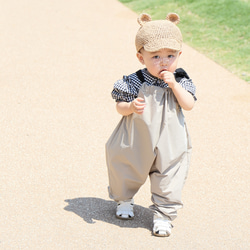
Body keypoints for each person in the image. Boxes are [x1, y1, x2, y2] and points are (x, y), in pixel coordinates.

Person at [105, 12, 197, 237]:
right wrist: (130, 108)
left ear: (179, 54)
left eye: (170, 55)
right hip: (137, 134)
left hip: (170, 138)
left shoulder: (181, 79)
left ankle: (163, 214)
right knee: (126, 163)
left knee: (170, 172)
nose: (164, 61)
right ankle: (124, 199)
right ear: (141, 57)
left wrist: (174, 86)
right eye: (155, 56)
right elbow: (119, 105)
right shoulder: (135, 80)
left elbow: (188, 105)